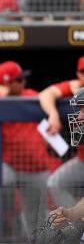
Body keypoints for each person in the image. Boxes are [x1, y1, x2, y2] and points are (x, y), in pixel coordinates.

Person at [0, 61, 50, 239]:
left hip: (36, 168)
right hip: (11, 166)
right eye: (19, 80)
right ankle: (7, 220)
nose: (24, 83)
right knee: (1, 179)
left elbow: (51, 97)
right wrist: (1, 96)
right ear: (7, 84)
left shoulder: (31, 96)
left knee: (35, 217)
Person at [42, 57, 84, 209]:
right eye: (83, 72)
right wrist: (53, 115)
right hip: (82, 159)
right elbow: (46, 94)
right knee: (55, 183)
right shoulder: (76, 88)